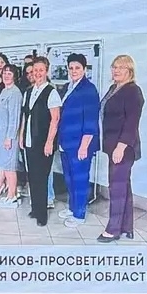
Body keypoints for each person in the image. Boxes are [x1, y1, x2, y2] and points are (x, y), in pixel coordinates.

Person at [98, 54, 144, 243]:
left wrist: (120, 147)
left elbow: (132, 122)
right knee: (123, 186)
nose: (116, 70)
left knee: (116, 187)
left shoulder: (133, 91)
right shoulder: (114, 88)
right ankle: (127, 227)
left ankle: (113, 230)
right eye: (114, 67)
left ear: (130, 71)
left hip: (123, 147)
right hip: (113, 145)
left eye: (121, 67)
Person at [56, 53, 100, 228]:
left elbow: (90, 120)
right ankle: (72, 207)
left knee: (80, 179)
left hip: (80, 144)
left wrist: (84, 146)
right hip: (66, 142)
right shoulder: (69, 87)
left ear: (84, 69)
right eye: (71, 68)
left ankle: (79, 214)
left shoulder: (89, 89)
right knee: (69, 178)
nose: (74, 71)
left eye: (77, 68)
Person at [18, 56, 60, 227]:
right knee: (32, 176)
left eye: (41, 70)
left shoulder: (51, 92)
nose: (37, 73)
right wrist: (21, 135)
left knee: (41, 177)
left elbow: (55, 119)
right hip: (29, 140)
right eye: (35, 70)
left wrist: (49, 142)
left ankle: (42, 215)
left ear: (46, 71)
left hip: (43, 142)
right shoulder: (28, 92)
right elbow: (25, 116)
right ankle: (35, 209)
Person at [0, 64, 22, 207]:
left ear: (14, 76)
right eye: (4, 73)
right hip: (0, 135)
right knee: (5, 165)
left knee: (9, 167)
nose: (6, 76)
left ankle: (12, 196)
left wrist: (9, 137)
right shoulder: (4, 90)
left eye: (9, 73)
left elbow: (15, 118)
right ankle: (11, 194)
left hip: (9, 137)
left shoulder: (15, 93)